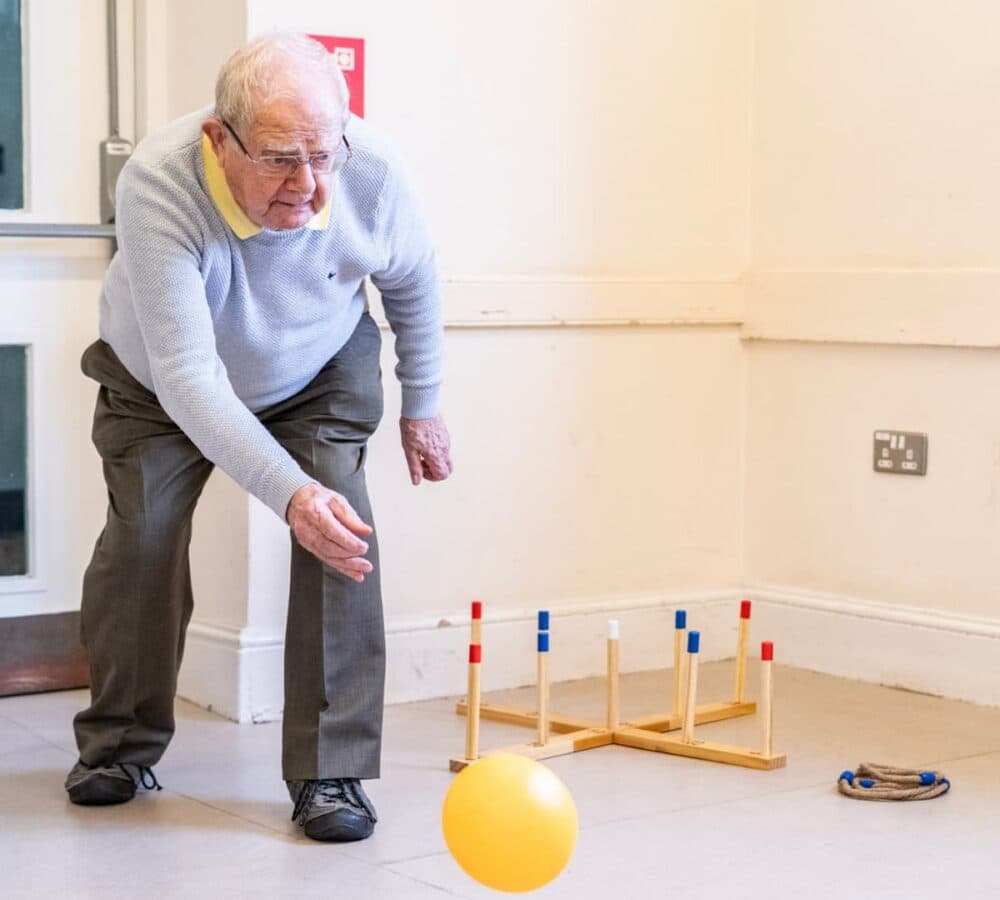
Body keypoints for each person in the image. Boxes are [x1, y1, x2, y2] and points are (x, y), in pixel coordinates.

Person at [64, 31, 452, 843]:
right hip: (160, 382)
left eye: (322, 155)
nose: (309, 188)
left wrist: (424, 402)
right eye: (280, 159)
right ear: (220, 138)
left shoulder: (371, 170)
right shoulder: (161, 182)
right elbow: (189, 379)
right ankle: (119, 746)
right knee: (145, 537)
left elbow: (411, 277)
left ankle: (330, 770)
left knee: (337, 529)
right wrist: (286, 493)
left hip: (317, 364)